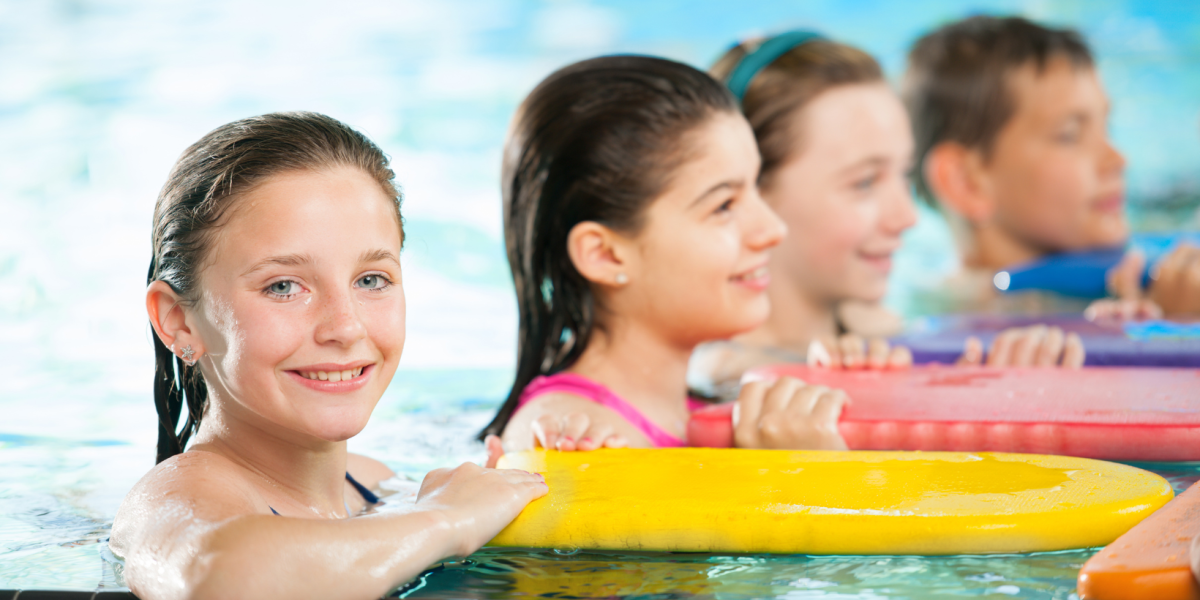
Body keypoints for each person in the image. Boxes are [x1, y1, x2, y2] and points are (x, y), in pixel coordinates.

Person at [110, 112, 547, 600]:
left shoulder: (372, 483)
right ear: (179, 321)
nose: (346, 326)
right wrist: (447, 519)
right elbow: (213, 574)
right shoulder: (172, 498)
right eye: (283, 286)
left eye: (371, 280)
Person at [479, 56, 849, 456]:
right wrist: (806, 474)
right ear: (606, 255)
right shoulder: (568, 439)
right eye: (724, 205)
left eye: (755, 188)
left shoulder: (697, 407)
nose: (773, 229)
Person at [690, 32, 1084, 399]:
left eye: (904, 175)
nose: (907, 217)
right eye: (864, 182)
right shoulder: (715, 375)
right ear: (752, 190)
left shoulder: (883, 327)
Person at [903, 15, 1198, 319]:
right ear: (968, 182)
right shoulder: (946, 316)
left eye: (1106, 128)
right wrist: (1173, 327)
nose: (1118, 160)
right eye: (1069, 135)